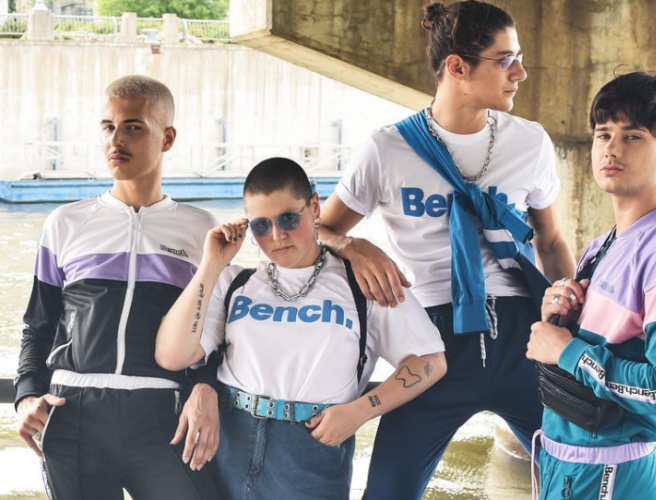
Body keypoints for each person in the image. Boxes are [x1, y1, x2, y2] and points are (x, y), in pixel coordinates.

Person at [318, 2, 576, 498]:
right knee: (387, 492)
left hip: (524, 339)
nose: (520, 73)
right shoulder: (387, 149)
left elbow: (551, 240)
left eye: (519, 58)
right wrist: (353, 244)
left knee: (580, 480)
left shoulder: (530, 142)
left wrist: (569, 327)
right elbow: (318, 230)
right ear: (457, 67)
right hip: (431, 346)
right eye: (506, 60)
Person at [154, 157, 447, 500]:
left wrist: (360, 412)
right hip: (226, 442)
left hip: (311, 451)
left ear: (314, 207)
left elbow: (430, 361)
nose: (277, 236)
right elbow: (172, 355)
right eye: (261, 226)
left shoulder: (363, 283)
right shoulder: (235, 282)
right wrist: (210, 265)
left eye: (288, 219)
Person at [14, 75, 222, 500]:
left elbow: (216, 332)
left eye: (133, 127)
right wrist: (26, 397)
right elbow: (38, 325)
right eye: (108, 127)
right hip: (73, 416)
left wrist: (207, 386)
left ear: (167, 138)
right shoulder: (65, 223)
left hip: (164, 418)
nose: (116, 140)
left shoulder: (201, 229)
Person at [527, 72, 656, 499]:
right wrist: (559, 315)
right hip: (563, 463)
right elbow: (598, 344)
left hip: (612, 474)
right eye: (603, 134)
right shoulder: (604, 243)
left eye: (632, 136)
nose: (611, 148)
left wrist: (568, 351)